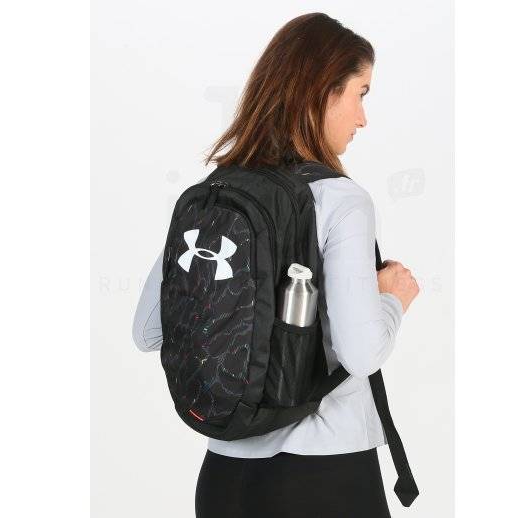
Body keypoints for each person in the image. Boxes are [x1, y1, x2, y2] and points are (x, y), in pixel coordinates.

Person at [132, 12, 419, 518]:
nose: (362, 119)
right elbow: (361, 354)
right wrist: (391, 298)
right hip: (325, 480)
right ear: (323, 92)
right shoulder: (342, 200)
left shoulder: (220, 192)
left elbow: (147, 332)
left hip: (223, 479)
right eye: (360, 94)